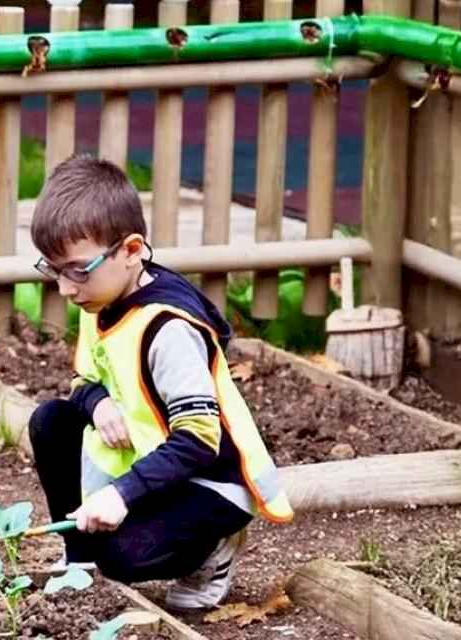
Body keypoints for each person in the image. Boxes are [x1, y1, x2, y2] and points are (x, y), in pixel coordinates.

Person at [25, 154, 293, 610]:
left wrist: (120, 493)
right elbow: (82, 379)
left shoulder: (168, 330)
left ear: (131, 250)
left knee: (121, 557)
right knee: (51, 420)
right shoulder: (101, 297)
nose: (65, 289)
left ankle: (211, 550)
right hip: (151, 458)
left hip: (209, 480)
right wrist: (98, 404)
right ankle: (80, 564)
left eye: (76, 270)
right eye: (53, 270)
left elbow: (198, 442)